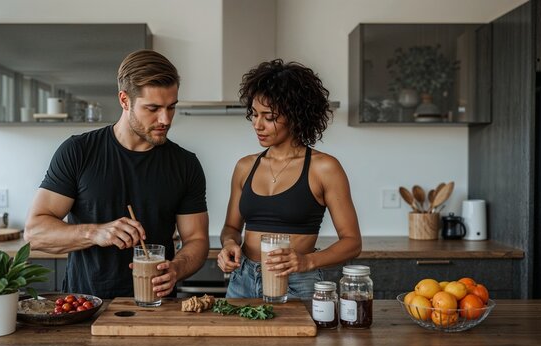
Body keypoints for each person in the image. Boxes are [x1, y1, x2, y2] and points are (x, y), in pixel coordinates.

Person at [24, 50, 209, 299]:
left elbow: (197, 240)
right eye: (152, 108)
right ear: (124, 100)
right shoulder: (78, 151)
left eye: (171, 107)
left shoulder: (185, 164)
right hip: (85, 307)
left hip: (156, 307)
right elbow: (35, 233)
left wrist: (177, 268)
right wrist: (95, 233)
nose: (165, 119)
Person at [217, 59, 362, 300]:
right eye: (254, 114)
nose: (257, 124)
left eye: (269, 117)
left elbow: (352, 243)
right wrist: (229, 244)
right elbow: (231, 228)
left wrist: (307, 261)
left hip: (296, 284)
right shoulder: (245, 166)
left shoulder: (324, 168)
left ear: (296, 116)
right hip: (242, 281)